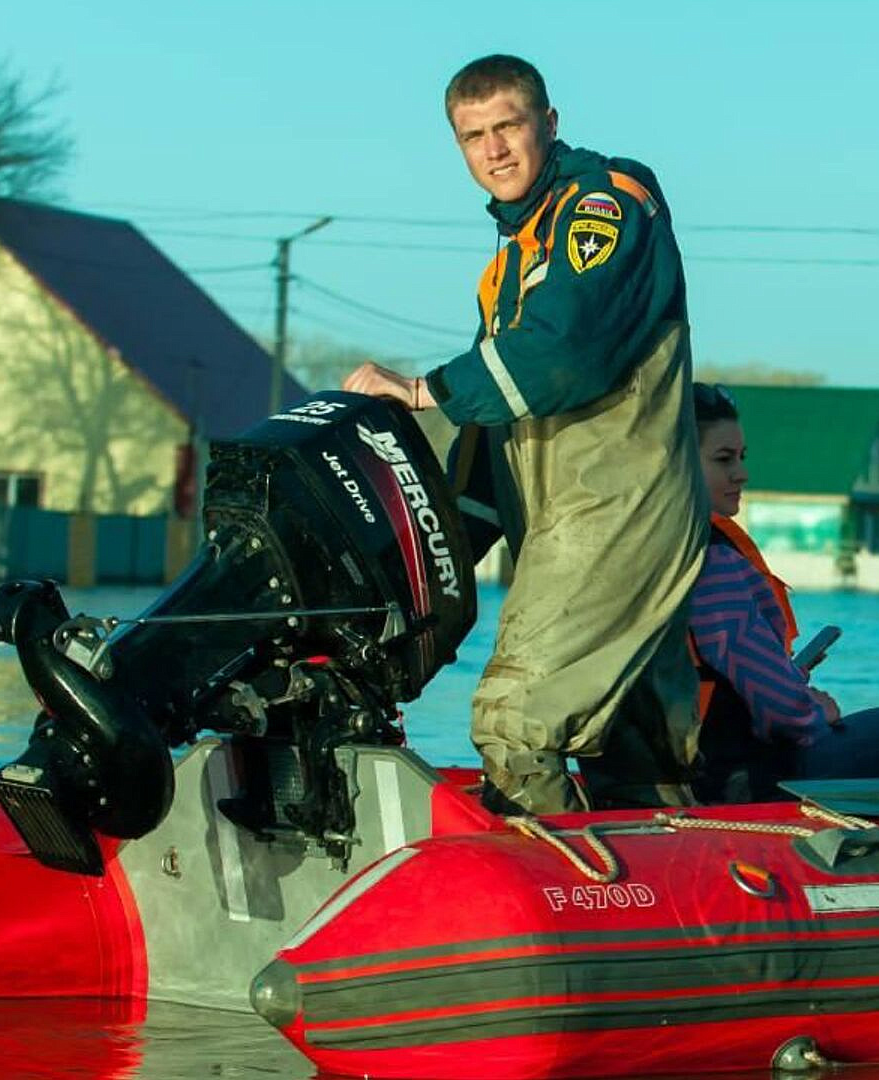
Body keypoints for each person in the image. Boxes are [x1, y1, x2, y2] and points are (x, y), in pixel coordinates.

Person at [344, 55, 706, 815]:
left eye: (508, 126)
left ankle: (569, 903)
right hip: (560, 519)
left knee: (514, 722)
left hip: (615, 509)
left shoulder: (605, 202)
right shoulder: (511, 256)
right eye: (473, 136)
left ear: (549, 123)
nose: (495, 150)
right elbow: (496, 430)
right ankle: (667, 879)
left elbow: (561, 352)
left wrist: (422, 391)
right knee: (637, 740)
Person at [687, 383, 879, 803]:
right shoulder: (709, 562)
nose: (741, 473)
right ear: (677, 461)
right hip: (726, 778)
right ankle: (858, 857)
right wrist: (813, 714)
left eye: (741, 458)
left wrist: (793, 685)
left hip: (668, 763)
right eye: (723, 460)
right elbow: (773, 701)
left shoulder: (641, 554)